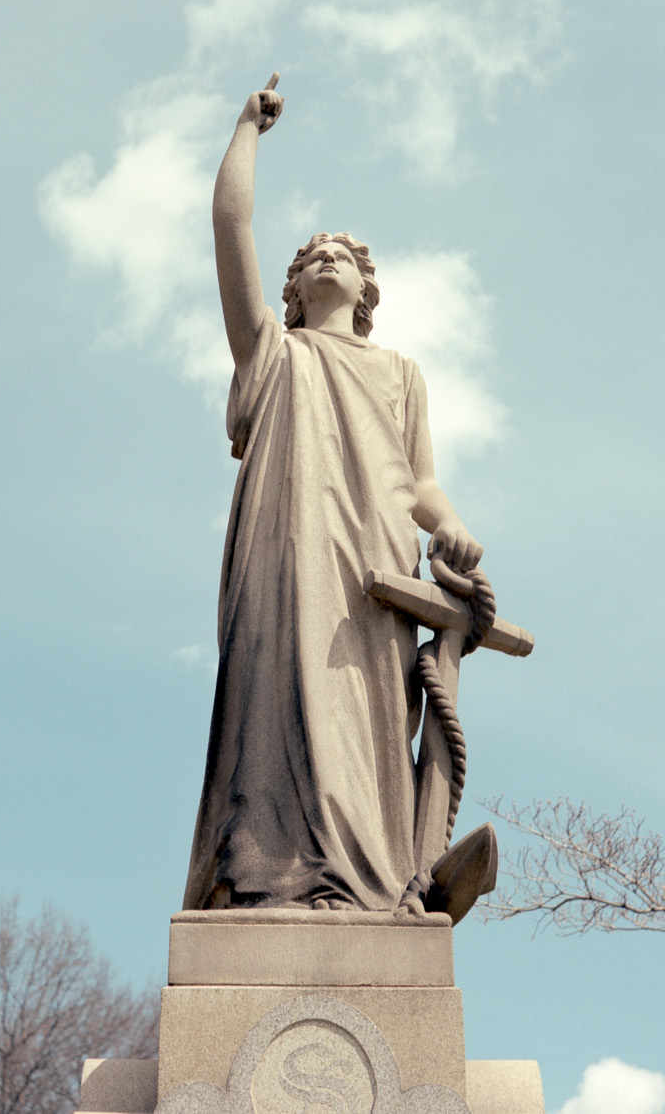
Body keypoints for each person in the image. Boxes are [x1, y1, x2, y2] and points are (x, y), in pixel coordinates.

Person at [182, 75, 485, 914]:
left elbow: (420, 481)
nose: (324, 258)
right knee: (275, 709)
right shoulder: (272, 356)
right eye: (310, 255)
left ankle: (373, 881)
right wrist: (246, 129)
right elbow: (230, 224)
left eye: (342, 255)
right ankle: (260, 879)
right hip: (286, 558)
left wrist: (451, 527)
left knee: (367, 727)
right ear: (290, 290)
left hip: (373, 573)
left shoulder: (399, 375)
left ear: (366, 289)